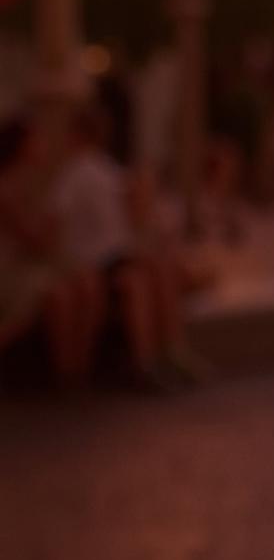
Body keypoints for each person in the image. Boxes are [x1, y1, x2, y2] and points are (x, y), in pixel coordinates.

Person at [47, 97, 209, 390]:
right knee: (150, 273)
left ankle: (162, 355)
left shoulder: (91, 172)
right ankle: (161, 356)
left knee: (153, 272)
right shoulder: (93, 172)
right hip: (99, 260)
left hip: (108, 256)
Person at [0, 112, 104, 387]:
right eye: (38, 139)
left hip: (32, 262)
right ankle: (67, 373)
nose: (45, 144)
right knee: (62, 293)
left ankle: (78, 370)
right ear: (22, 145)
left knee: (86, 282)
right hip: (12, 269)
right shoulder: (7, 188)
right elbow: (34, 241)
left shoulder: (36, 182)